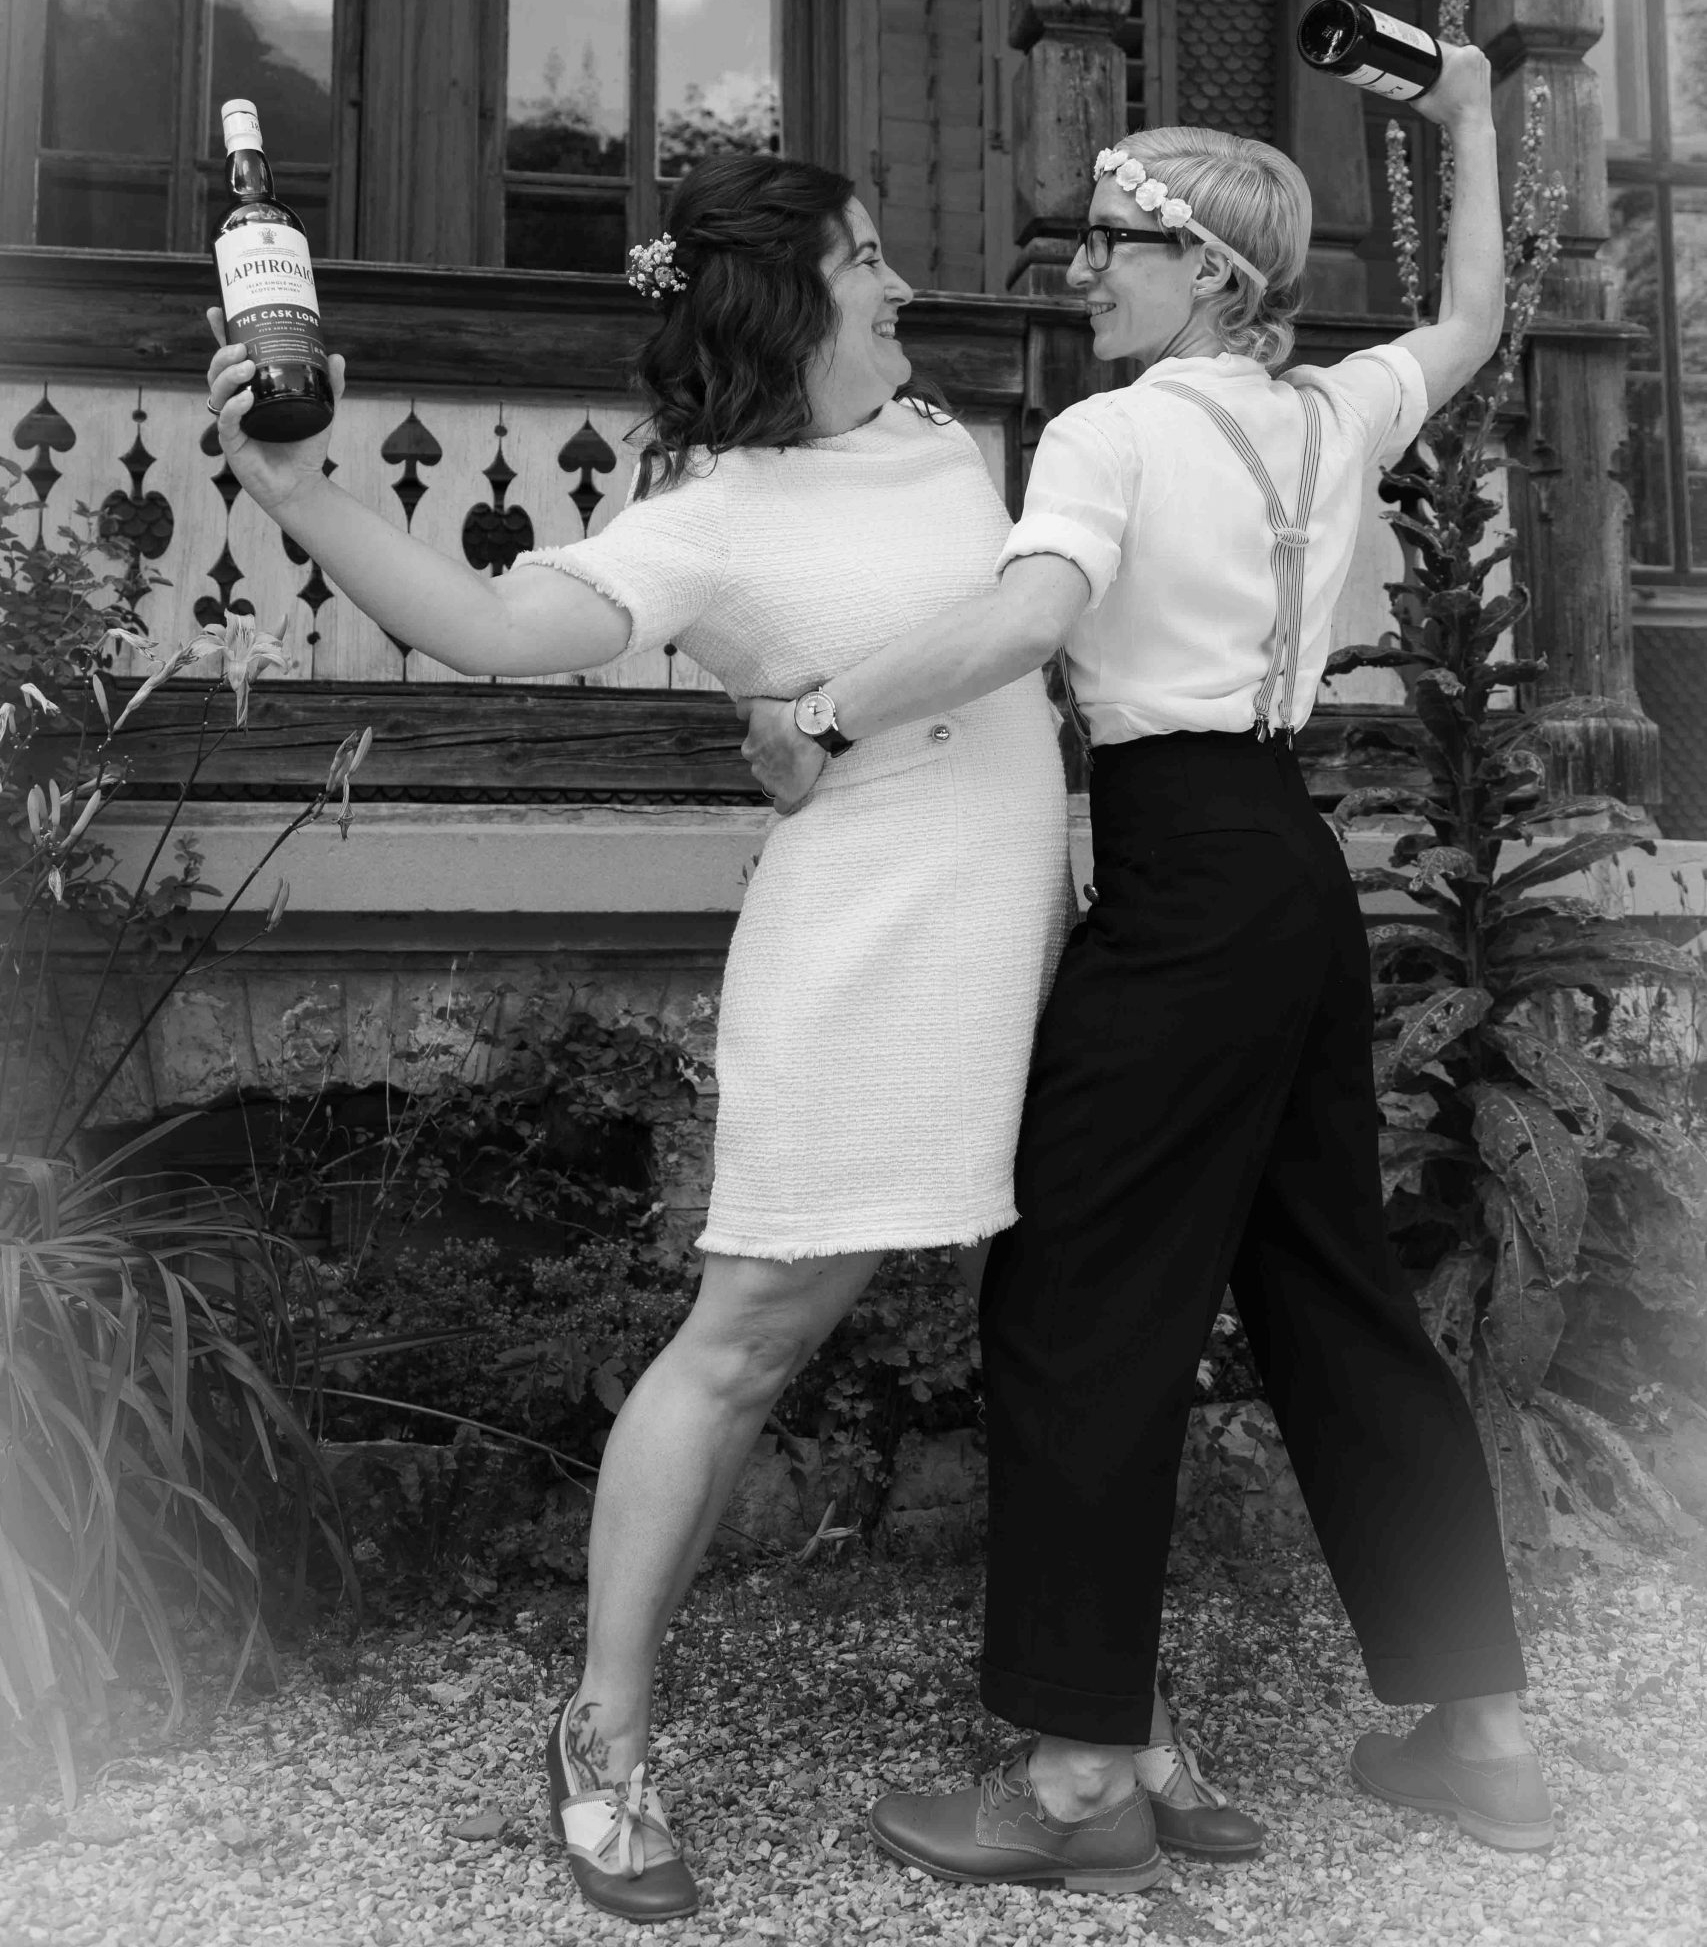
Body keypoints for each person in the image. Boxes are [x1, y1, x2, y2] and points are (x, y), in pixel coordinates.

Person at [204, 149, 1251, 1924]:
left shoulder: (943, 440)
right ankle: (603, 1735)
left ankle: (1105, 1719)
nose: (903, 285)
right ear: (784, 301)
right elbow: (496, 628)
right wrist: (300, 484)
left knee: (1081, 1337)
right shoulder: (712, 514)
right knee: (750, 1342)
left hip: (1026, 956)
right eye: (866, 259)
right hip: (863, 969)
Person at [742, 48, 1557, 1886]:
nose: (1084, 266)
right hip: (1295, 877)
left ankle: (1078, 1783)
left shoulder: (1109, 437)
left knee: (1076, 1300)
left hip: (1184, 882)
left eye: (1120, 241)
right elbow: (1470, 317)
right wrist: (1466, 120)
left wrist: (818, 713)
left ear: (1215, 274)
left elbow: (1032, 616)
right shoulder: (1333, 414)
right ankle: (1482, 1734)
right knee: (1335, 1289)